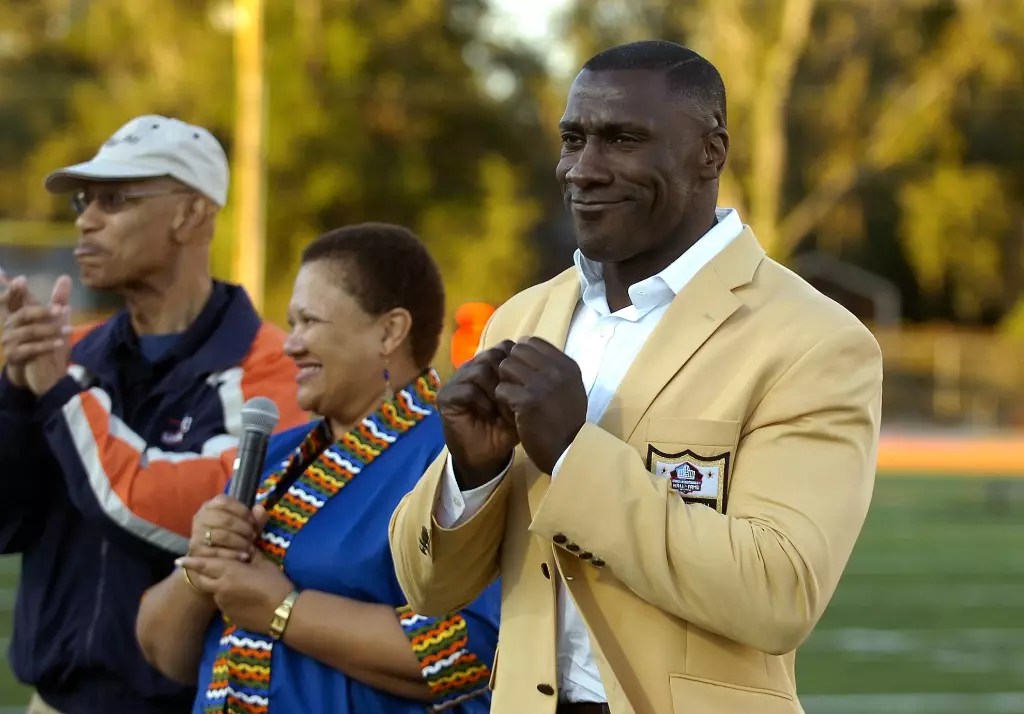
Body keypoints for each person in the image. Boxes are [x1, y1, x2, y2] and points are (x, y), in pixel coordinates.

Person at [389, 40, 884, 714]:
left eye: (622, 139)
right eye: (573, 139)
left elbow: (779, 595)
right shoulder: (524, 316)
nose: (584, 170)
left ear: (711, 151)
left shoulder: (812, 341)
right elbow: (428, 589)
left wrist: (571, 454)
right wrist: (469, 477)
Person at [0, 115, 306, 714]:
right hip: (53, 701)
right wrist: (13, 392)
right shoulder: (72, 358)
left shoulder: (275, 368)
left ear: (192, 215)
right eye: (86, 201)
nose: (86, 220)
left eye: (115, 200)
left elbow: (171, 512)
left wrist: (58, 393)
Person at [136, 223, 501, 714]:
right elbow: (164, 653)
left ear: (390, 331)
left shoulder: (458, 455)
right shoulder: (272, 457)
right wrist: (203, 565)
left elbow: (470, 652)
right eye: (291, 324)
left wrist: (284, 611)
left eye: (310, 322)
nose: (291, 344)